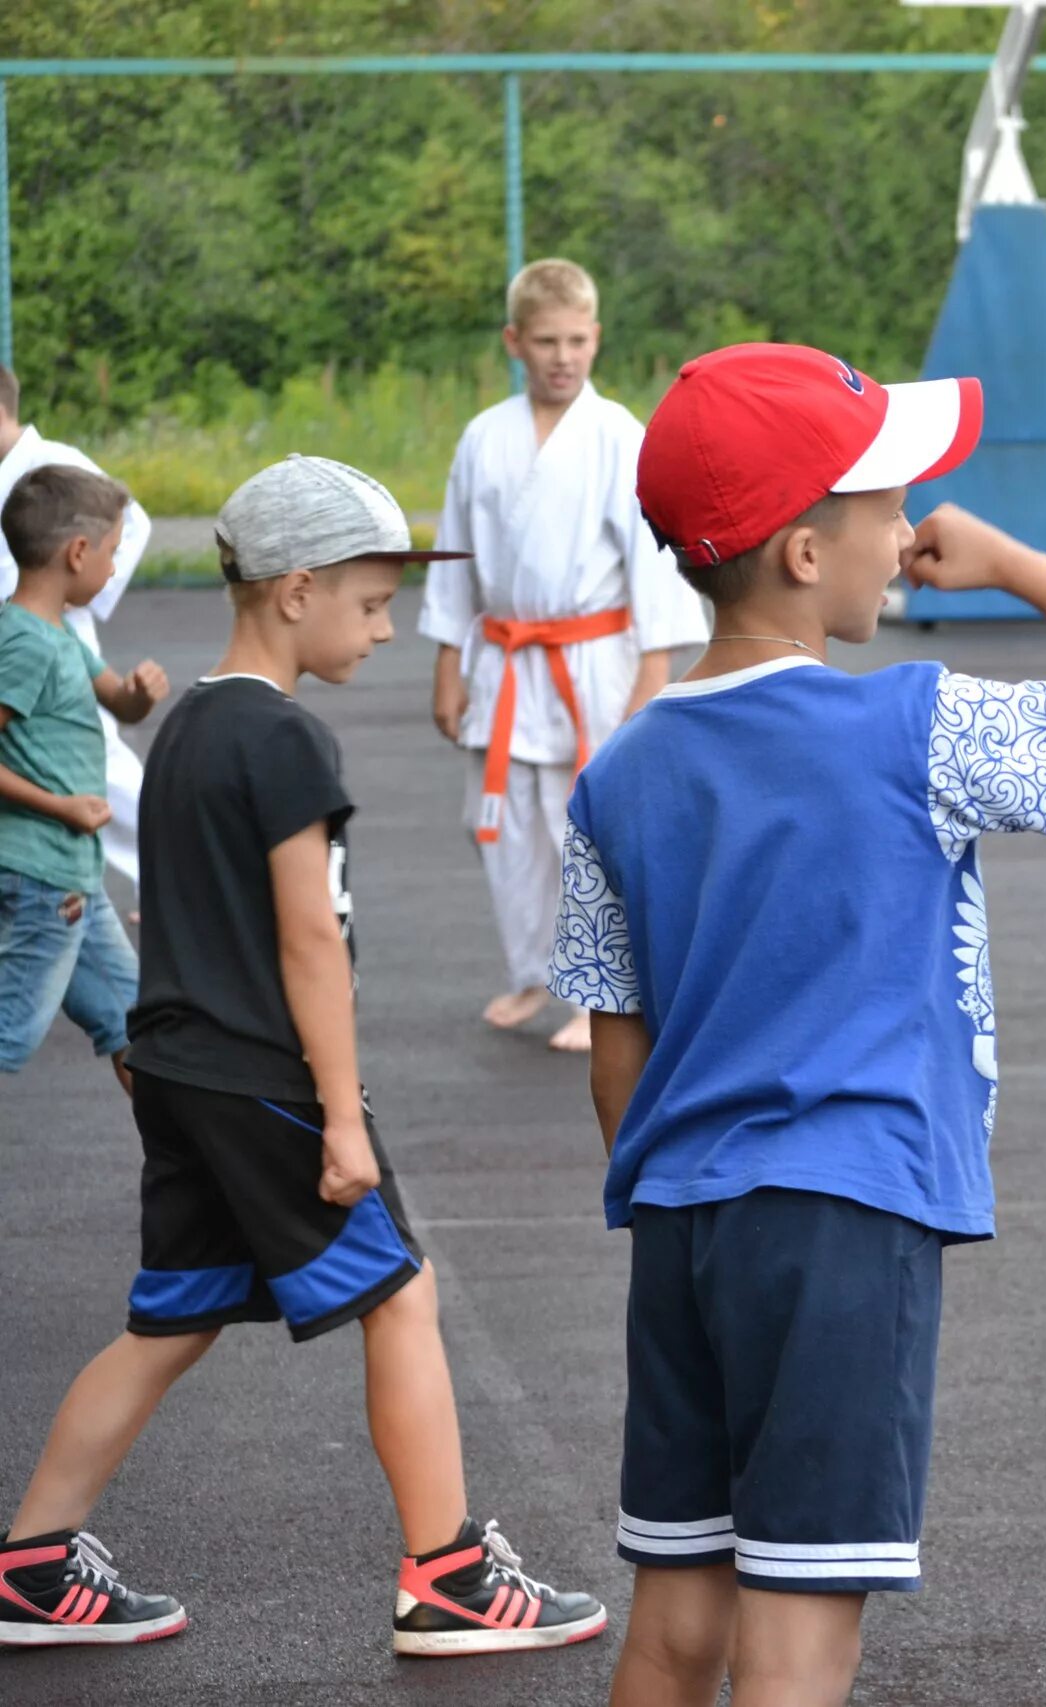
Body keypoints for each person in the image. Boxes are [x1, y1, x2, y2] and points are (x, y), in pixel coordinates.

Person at [547, 343, 1046, 1707]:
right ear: (806, 551)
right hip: (845, 1217)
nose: (909, 527)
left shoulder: (617, 772)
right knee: (803, 1639)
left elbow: (616, 1046)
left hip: (684, 1216)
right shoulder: (917, 724)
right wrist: (1026, 568)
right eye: (887, 502)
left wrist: (684, 1171)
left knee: (678, 1622)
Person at [0, 457, 604, 1656]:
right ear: (294, 589)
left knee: (171, 1321)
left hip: (178, 1066)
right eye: (370, 603)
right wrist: (338, 1113)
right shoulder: (284, 743)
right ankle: (448, 1575)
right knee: (405, 1294)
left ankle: (30, 1564)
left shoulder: (186, 729)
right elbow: (309, 944)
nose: (383, 629)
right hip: (260, 1077)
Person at [421, 257, 706, 1054]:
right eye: (545, 340)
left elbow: (655, 560)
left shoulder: (619, 435)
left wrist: (653, 673)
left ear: (597, 338)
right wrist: (448, 659)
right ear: (514, 340)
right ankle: (529, 971)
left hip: (594, 662)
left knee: (586, 831)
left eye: (577, 339)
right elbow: (456, 553)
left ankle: (600, 993)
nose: (562, 356)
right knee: (508, 829)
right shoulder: (485, 437)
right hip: (507, 661)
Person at [0, 466, 160, 1079]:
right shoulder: (28, 645)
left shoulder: (59, 634)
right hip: (43, 878)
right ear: (78, 553)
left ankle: (179, 1169)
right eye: (113, 553)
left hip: (74, 879)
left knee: (133, 1020)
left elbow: (118, 699)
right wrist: (60, 806)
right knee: (10, 1034)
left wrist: (141, 694)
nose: (114, 568)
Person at [0, 365, 156, 887]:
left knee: (98, 769)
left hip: (50, 633)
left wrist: (77, 594)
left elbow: (130, 523)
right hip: (23, 637)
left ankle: (179, 884)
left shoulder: (53, 463)